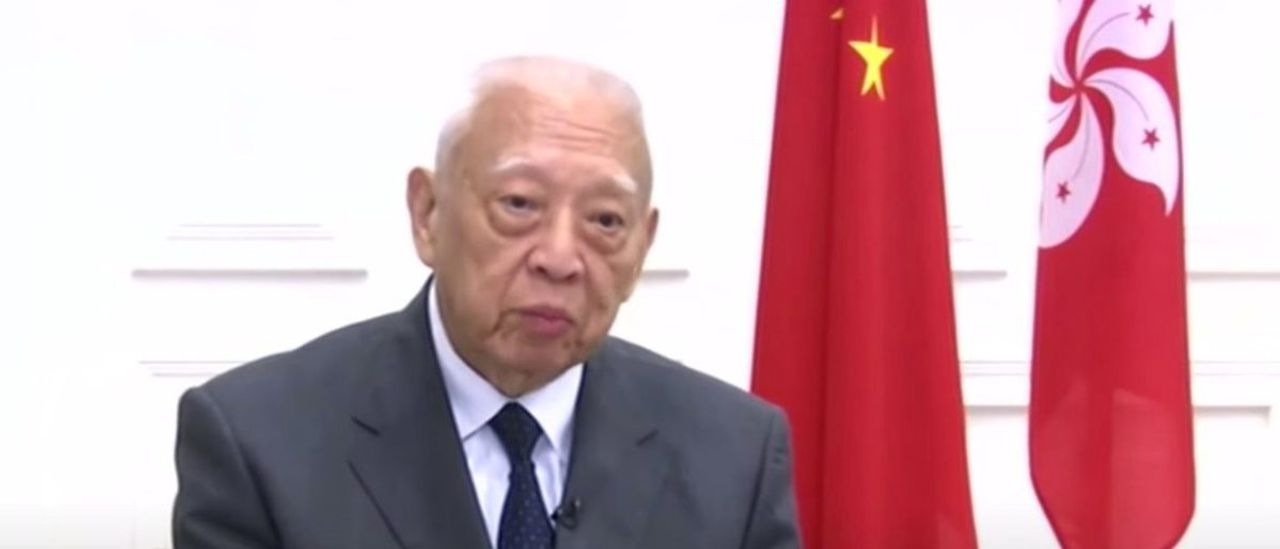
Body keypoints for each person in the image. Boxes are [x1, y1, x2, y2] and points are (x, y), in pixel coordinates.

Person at [172, 56, 801, 549]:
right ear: (428, 214)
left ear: (642, 246)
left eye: (606, 220)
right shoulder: (258, 443)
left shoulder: (735, 457)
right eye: (519, 204)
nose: (560, 257)